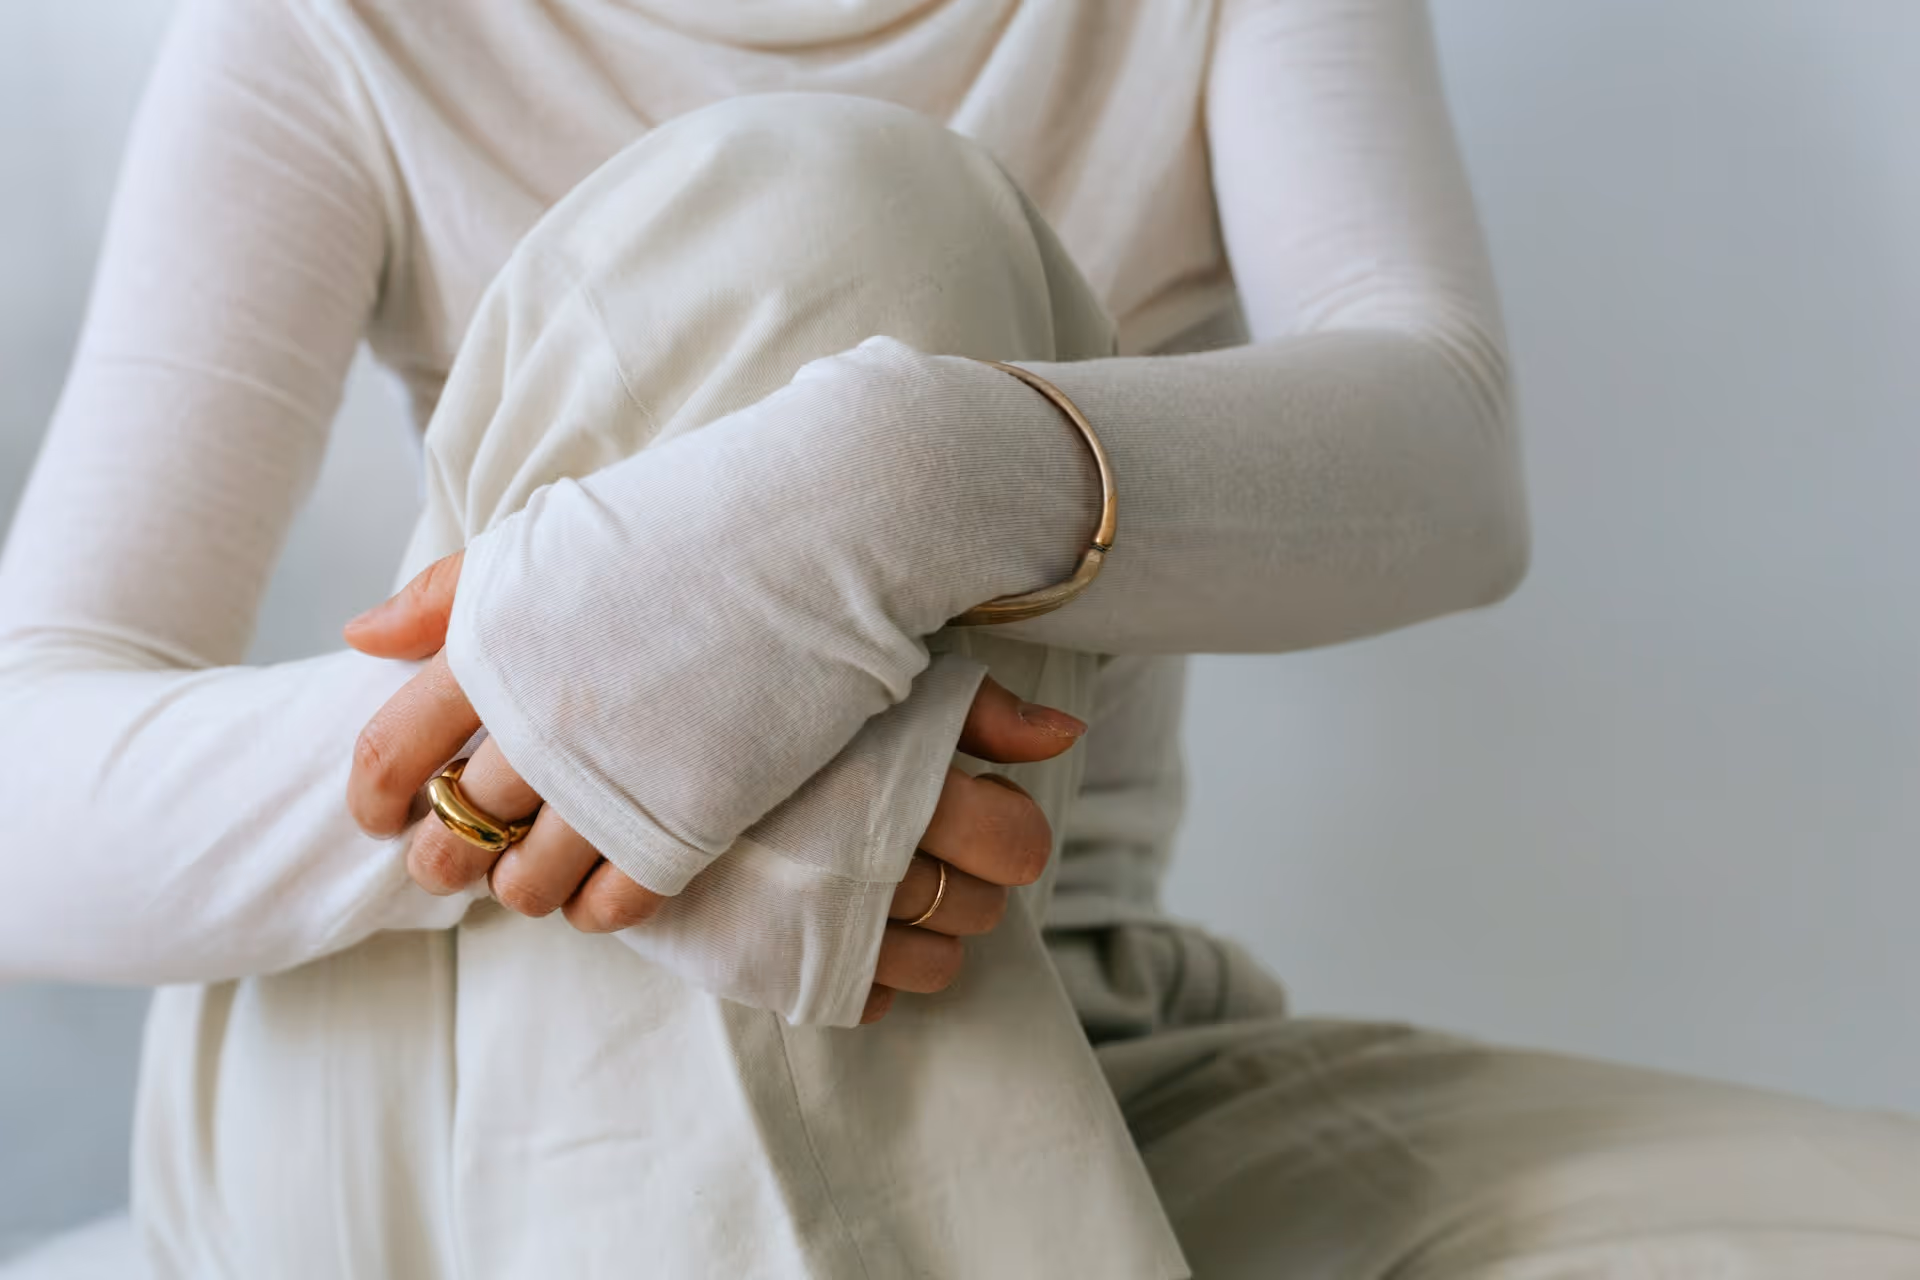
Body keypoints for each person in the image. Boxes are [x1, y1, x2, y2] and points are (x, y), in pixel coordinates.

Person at [1, 1, 1916, 1277]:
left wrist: (910, 481)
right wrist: (591, 724)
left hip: (1049, 1031)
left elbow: (1453, 460)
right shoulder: (340, 26)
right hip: (421, 1053)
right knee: (840, 203)